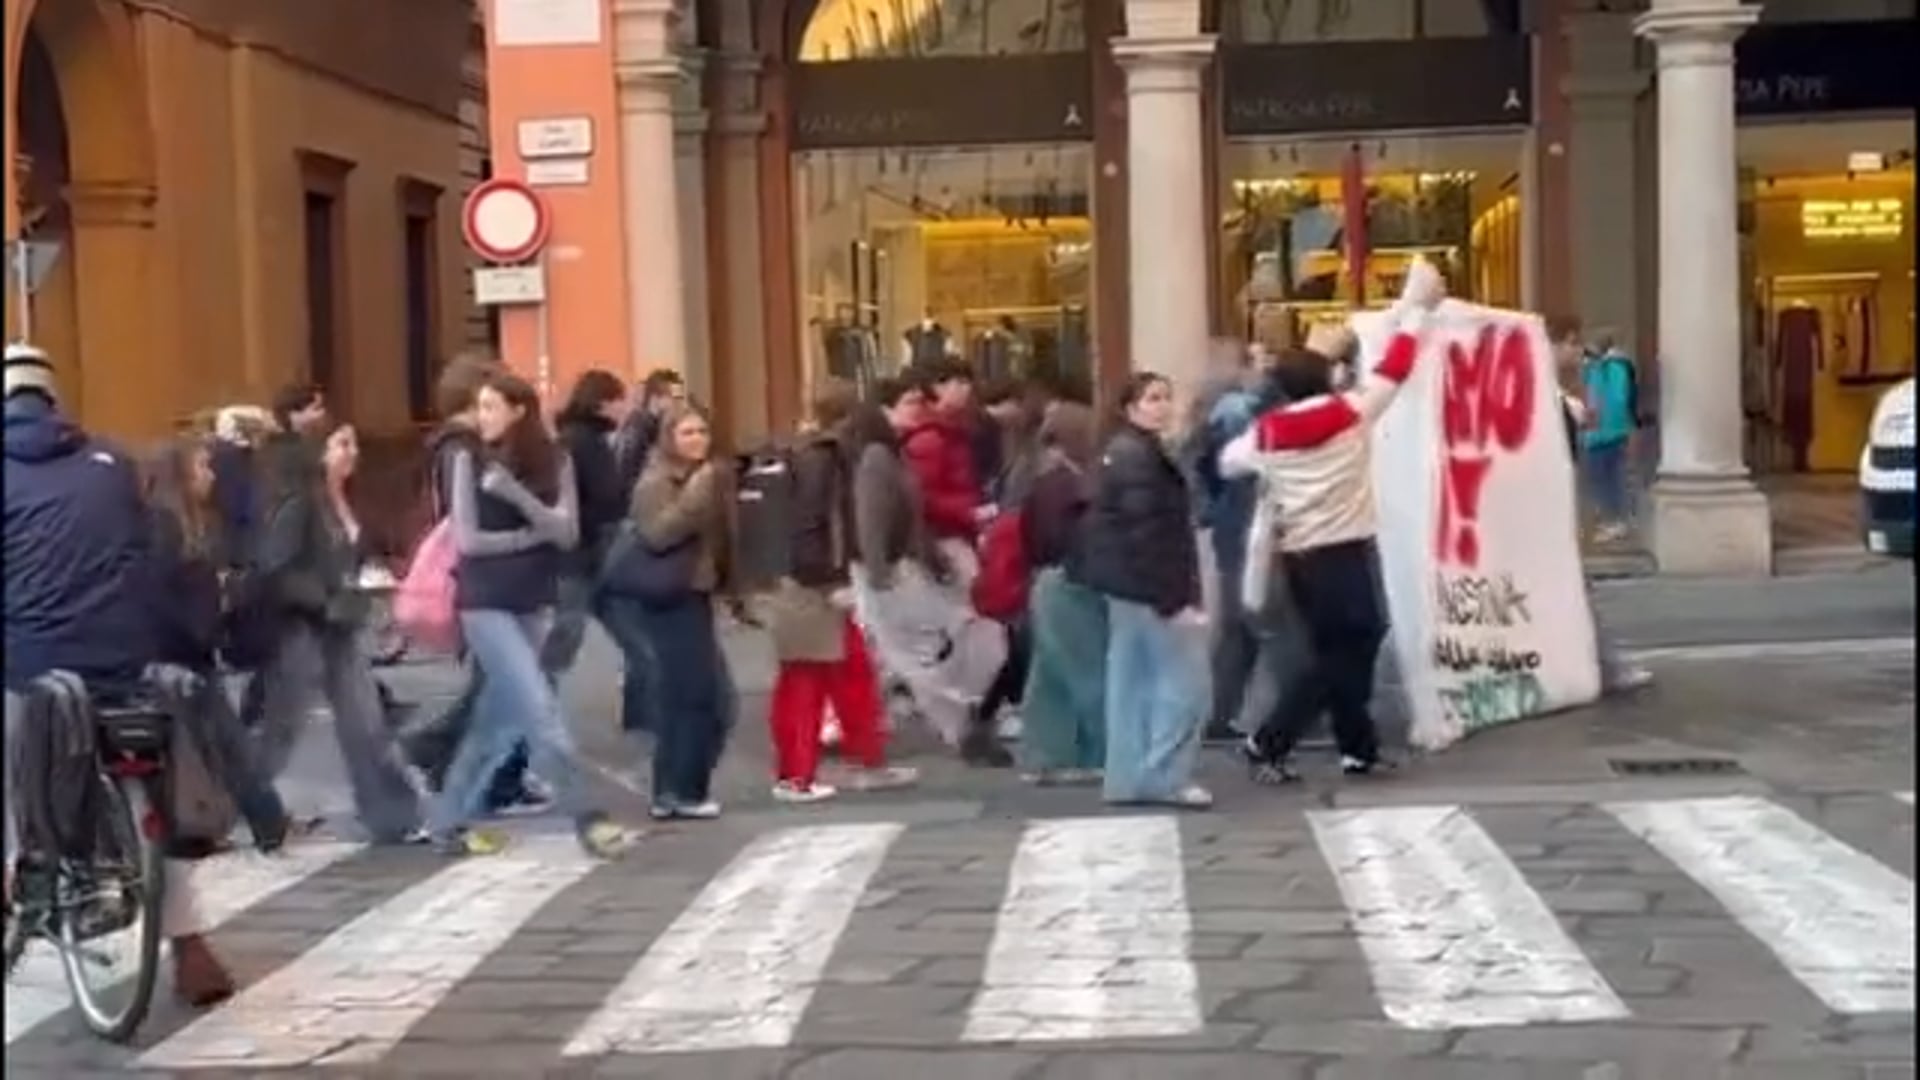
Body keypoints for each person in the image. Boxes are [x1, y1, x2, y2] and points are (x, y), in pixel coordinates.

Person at [3, 344, 251, 1006]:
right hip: (122, 658)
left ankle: (21, 871)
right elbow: (139, 555)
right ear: (53, 400)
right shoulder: (110, 463)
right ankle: (190, 949)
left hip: (36, 663)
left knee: (15, 749)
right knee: (152, 798)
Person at [1221, 260, 1447, 784]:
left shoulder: (1267, 433)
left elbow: (1229, 462)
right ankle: (1270, 739)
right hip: (1345, 548)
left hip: (1300, 554)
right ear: (1326, 378)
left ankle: (1355, 748)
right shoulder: (1352, 413)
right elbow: (1396, 368)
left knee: (1335, 648)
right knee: (1351, 647)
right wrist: (1415, 311)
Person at [433, 371, 638, 856]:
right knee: (540, 709)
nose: (481, 417)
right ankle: (589, 818)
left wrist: (514, 494)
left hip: (533, 597)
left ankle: (447, 823)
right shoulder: (466, 458)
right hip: (484, 601)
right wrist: (531, 535)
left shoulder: (555, 459)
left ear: (518, 411)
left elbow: (567, 532)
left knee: (497, 721)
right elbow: (468, 541)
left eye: (490, 407)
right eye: (479, 407)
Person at [246, 416, 423, 841]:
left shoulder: (339, 499)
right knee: (281, 728)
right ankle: (236, 802)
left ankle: (394, 817)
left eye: (354, 443)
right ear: (319, 453)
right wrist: (324, 598)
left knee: (365, 722)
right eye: (342, 444)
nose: (352, 454)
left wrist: (363, 584)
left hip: (340, 625)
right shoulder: (300, 502)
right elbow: (276, 568)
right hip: (302, 629)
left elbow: (347, 558)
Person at [397, 356, 543, 814]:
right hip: (483, 575)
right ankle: (432, 752)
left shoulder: (455, 446)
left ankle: (472, 769)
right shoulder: (463, 449)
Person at [762, 381, 919, 803]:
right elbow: (814, 523)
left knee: (841, 672)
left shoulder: (807, 452)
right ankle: (800, 774)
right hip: (814, 582)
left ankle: (856, 758)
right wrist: (829, 578)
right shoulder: (825, 457)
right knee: (810, 676)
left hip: (802, 579)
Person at [851, 377, 1009, 765]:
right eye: (909, 402)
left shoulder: (895, 452)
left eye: (920, 401)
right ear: (885, 410)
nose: (918, 409)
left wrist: (927, 556)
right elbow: (871, 518)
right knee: (911, 652)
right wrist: (878, 571)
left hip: (904, 562)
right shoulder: (878, 457)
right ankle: (958, 723)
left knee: (937, 640)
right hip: (888, 567)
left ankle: (960, 716)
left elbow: (913, 513)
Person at [1076, 372, 1212, 810]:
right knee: (1184, 684)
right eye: (1152, 399)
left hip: (1132, 586)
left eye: (1166, 397)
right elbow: (1148, 534)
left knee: (1134, 683)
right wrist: (1174, 598)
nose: (1162, 406)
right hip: (1150, 587)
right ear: (1130, 408)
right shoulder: (1137, 457)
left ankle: (1131, 778)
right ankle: (1163, 776)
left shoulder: (1129, 451)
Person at [625, 403, 739, 820]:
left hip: (698, 592)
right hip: (668, 595)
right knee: (688, 694)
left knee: (707, 697)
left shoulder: (707, 477)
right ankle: (676, 790)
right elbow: (656, 534)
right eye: (687, 433)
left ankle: (683, 786)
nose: (697, 440)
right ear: (669, 438)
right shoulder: (657, 481)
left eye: (702, 432)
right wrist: (697, 495)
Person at [1546, 316, 1655, 695]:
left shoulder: (1555, 391)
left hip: (1553, 506)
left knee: (1573, 592)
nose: (1578, 352)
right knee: (1575, 592)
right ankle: (1608, 667)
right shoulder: (1545, 391)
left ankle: (1604, 666)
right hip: (1548, 511)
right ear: (1559, 344)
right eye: (1573, 344)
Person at [1015, 401, 1107, 785]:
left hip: (1046, 580)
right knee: (1088, 671)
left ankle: (1045, 756)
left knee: (1049, 677)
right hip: (1072, 582)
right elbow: (1069, 538)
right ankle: (1097, 753)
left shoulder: (1042, 480)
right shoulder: (1072, 483)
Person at [545, 369, 630, 677]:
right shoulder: (584, 442)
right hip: (582, 552)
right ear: (601, 403)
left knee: (580, 627)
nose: (625, 408)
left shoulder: (584, 439)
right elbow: (603, 495)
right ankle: (536, 691)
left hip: (588, 551)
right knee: (567, 629)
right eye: (620, 400)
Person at [1580, 328, 1642, 544]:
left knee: (1609, 479)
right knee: (1604, 479)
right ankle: (1611, 519)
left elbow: (1616, 400)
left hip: (1607, 433)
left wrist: (1598, 426)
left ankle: (1615, 521)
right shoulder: (1598, 367)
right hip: (1600, 433)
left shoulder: (1613, 367)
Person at [612, 367, 687, 497]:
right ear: (656, 398)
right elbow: (629, 474)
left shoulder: (653, 424)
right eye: (674, 398)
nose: (679, 404)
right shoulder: (639, 428)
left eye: (680, 398)